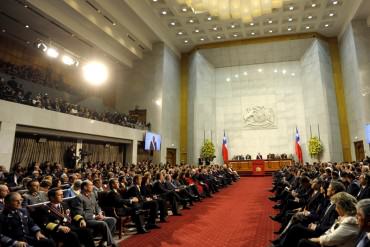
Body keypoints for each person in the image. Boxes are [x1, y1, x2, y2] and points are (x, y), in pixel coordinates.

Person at [70, 180, 117, 247]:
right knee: (103, 223)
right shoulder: (78, 198)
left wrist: (100, 213)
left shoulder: (92, 194)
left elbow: (96, 205)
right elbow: (79, 213)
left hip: (96, 217)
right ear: (85, 187)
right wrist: (95, 216)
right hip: (87, 220)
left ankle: (103, 241)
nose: (92, 186)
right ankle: (111, 243)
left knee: (112, 220)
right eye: (91, 185)